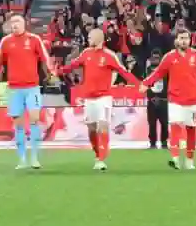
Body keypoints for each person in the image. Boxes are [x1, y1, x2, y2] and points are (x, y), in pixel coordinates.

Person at [139, 30, 196, 170]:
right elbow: (158, 72)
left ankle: (189, 160)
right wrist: (146, 83)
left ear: (190, 40)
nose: (184, 41)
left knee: (191, 130)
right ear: (176, 40)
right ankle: (175, 158)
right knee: (175, 127)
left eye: (186, 38)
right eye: (181, 38)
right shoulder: (170, 57)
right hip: (175, 99)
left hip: (193, 99)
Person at [57, 28, 139, 171]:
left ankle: (101, 159)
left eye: (90, 36)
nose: (88, 39)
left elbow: (123, 71)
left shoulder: (109, 55)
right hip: (89, 98)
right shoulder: (86, 53)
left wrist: (139, 84)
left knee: (103, 125)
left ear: (98, 38)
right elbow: (72, 65)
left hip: (104, 97)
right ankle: (97, 154)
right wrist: (58, 71)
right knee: (92, 129)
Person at [0, 14, 52, 170]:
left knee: (34, 120)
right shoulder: (6, 41)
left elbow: (45, 58)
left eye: (17, 21)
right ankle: (22, 159)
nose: (14, 24)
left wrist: (51, 73)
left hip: (32, 88)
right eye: (12, 22)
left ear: (24, 24)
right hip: (14, 89)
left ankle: (35, 158)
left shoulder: (34, 39)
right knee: (18, 125)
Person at [145, 49, 169, 149]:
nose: (155, 60)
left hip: (163, 100)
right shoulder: (147, 70)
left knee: (164, 123)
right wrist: (151, 97)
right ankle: (152, 143)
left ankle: (164, 142)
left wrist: (162, 97)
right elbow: (145, 84)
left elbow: (168, 84)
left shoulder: (166, 70)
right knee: (152, 123)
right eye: (153, 57)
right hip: (152, 101)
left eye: (157, 58)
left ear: (161, 58)